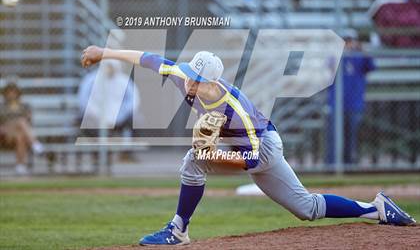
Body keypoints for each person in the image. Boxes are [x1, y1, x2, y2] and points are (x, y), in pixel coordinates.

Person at [81, 45, 415, 246]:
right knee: (307, 209)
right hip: (246, 147)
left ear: (213, 82)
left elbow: (251, 162)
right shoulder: (185, 74)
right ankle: (377, 209)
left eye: (199, 81)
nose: (191, 84)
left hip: (262, 149)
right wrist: (103, 52)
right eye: (191, 77)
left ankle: (178, 231)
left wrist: (213, 153)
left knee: (194, 160)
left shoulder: (235, 110)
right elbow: (148, 58)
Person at [326, 31, 375, 165]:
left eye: (351, 40)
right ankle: (332, 165)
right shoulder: (336, 56)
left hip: (354, 104)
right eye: (345, 41)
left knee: (352, 137)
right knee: (334, 137)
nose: (348, 44)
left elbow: (371, 66)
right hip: (336, 104)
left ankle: (350, 165)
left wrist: (362, 50)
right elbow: (328, 67)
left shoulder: (360, 57)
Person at [0, 77, 43, 175]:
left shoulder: (24, 106)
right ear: (5, 93)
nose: (11, 94)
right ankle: (36, 145)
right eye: (9, 92)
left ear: (18, 93)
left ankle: (20, 166)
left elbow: (29, 120)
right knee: (20, 121)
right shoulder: (2, 106)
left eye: (13, 91)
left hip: (18, 133)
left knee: (21, 136)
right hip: (5, 135)